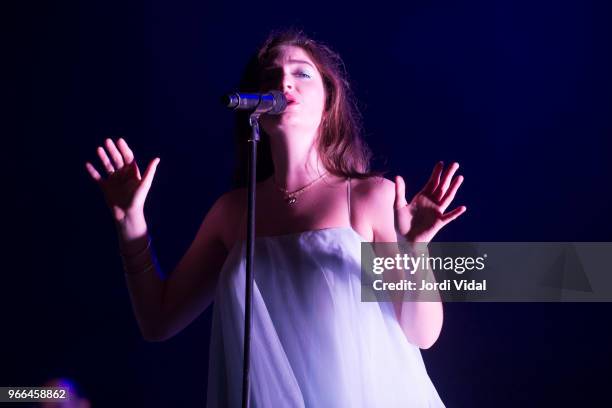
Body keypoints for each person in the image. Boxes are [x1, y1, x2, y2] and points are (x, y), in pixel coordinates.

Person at [85, 28, 466, 407]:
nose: (284, 81)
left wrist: (414, 249)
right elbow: (158, 321)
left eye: (302, 73)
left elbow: (422, 334)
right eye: (270, 76)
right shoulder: (232, 213)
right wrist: (130, 222)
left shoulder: (370, 196)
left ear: (328, 99)